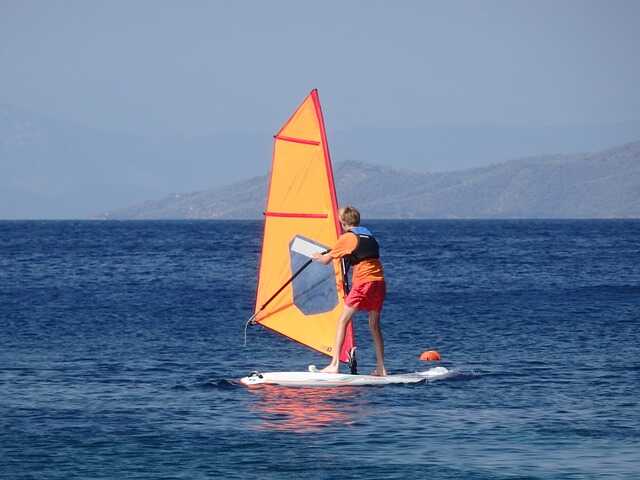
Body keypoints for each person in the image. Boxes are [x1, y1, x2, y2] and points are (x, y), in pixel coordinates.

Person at [312, 206, 387, 376]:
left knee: (342, 320)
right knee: (374, 325)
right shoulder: (368, 234)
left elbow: (325, 260)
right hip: (379, 282)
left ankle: (334, 365)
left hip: (364, 282)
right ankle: (381, 368)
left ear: (343, 222)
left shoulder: (346, 237)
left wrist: (317, 256)